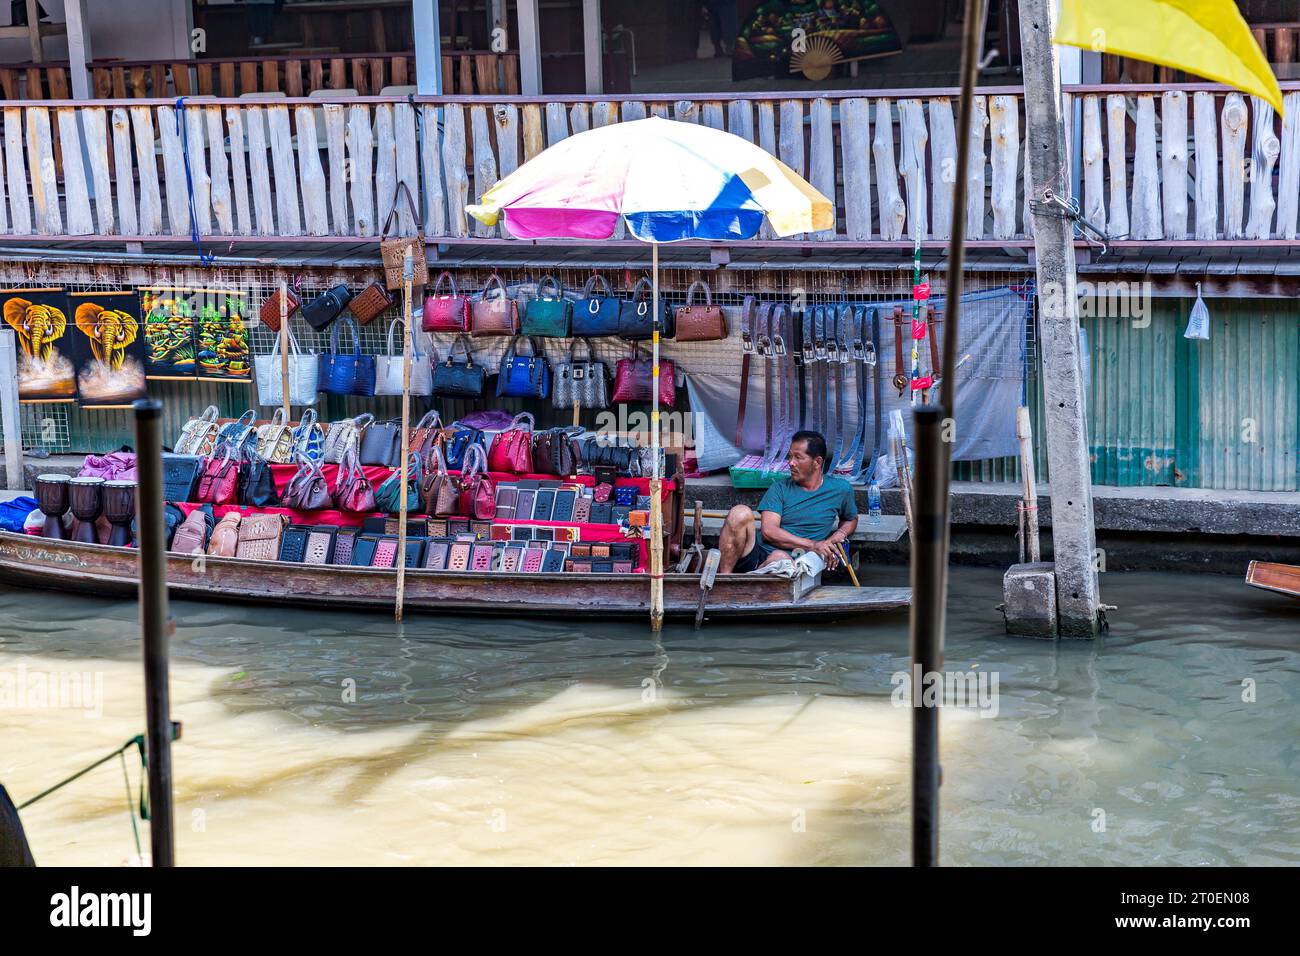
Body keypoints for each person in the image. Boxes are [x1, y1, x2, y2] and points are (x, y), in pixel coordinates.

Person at [719, 430, 858, 573]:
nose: (791, 463)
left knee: (779, 558)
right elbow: (769, 532)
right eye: (790, 456)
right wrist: (813, 545)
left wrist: (838, 535)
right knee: (739, 513)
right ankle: (723, 582)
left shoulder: (841, 489)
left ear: (817, 462)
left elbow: (850, 518)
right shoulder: (779, 488)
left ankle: (753, 577)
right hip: (758, 554)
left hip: (795, 562)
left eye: (798, 457)